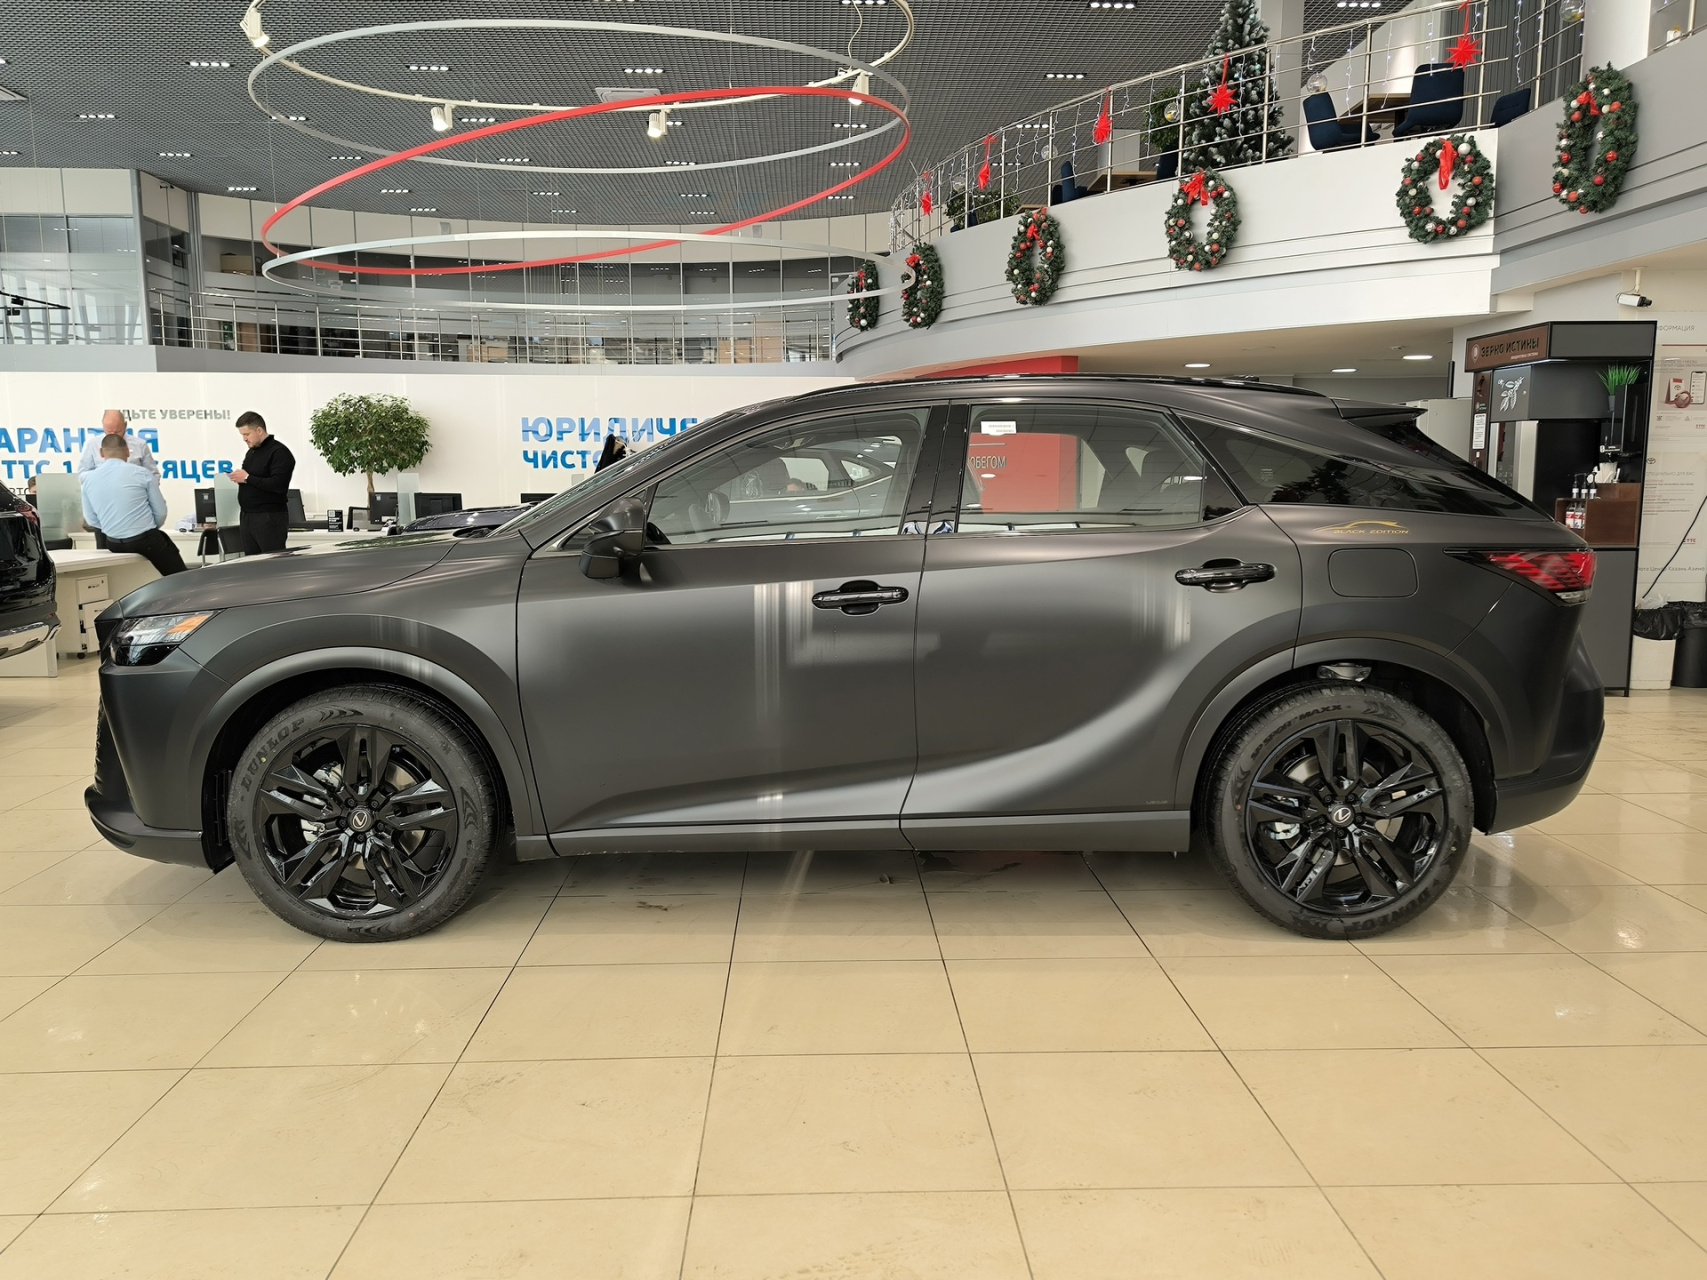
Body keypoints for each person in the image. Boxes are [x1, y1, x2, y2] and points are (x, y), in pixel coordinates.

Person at [79, 435, 186, 577]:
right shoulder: (142, 473)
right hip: (146, 540)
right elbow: (160, 511)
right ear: (127, 452)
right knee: (180, 577)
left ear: (101, 453)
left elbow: (91, 519)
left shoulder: (88, 479)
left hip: (113, 543)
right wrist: (147, 530)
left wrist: (114, 529)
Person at [77, 411, 159, 549]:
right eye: (109, 431)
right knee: (104, 553)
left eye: (118, 431)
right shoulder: (92, 445)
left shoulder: (140, 445)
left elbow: (153, 474)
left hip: (135, 509)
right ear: (103, 427)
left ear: (125, 426)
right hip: (105, 510)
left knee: (140, 552)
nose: (113, 434)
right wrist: (100, 476)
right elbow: (82, 474)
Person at [232, 411, 295, 555]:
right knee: (251, 562)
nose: (244, 439)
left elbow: (278, 485)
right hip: (247, 516)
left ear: (259, 431)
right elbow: (253, 480)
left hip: (269, 517)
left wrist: (247, 478)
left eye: (247, 434)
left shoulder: (279, 452)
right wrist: (240, 478)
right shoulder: (251, 452)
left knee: (271, 561)